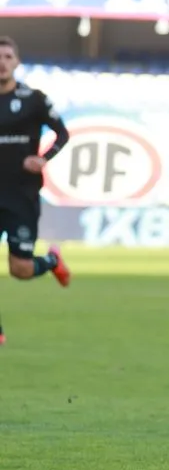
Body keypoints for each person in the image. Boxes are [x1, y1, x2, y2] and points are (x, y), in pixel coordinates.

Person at [0, 36, 72, 346]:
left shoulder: (34, 99)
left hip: (21, 197)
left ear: (16, 62)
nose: (1, 62)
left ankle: (51, 262)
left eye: (7, 56)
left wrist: (43, 158)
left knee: (21, 270)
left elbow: (62, 133)